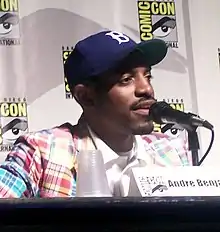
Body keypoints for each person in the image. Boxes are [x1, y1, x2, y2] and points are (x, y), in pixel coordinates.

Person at [0, 30, 191, 198]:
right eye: (126, 80)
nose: (146, 89)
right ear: (86, 96)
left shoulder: (171, 151)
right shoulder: (42, 152)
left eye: (148, 76)